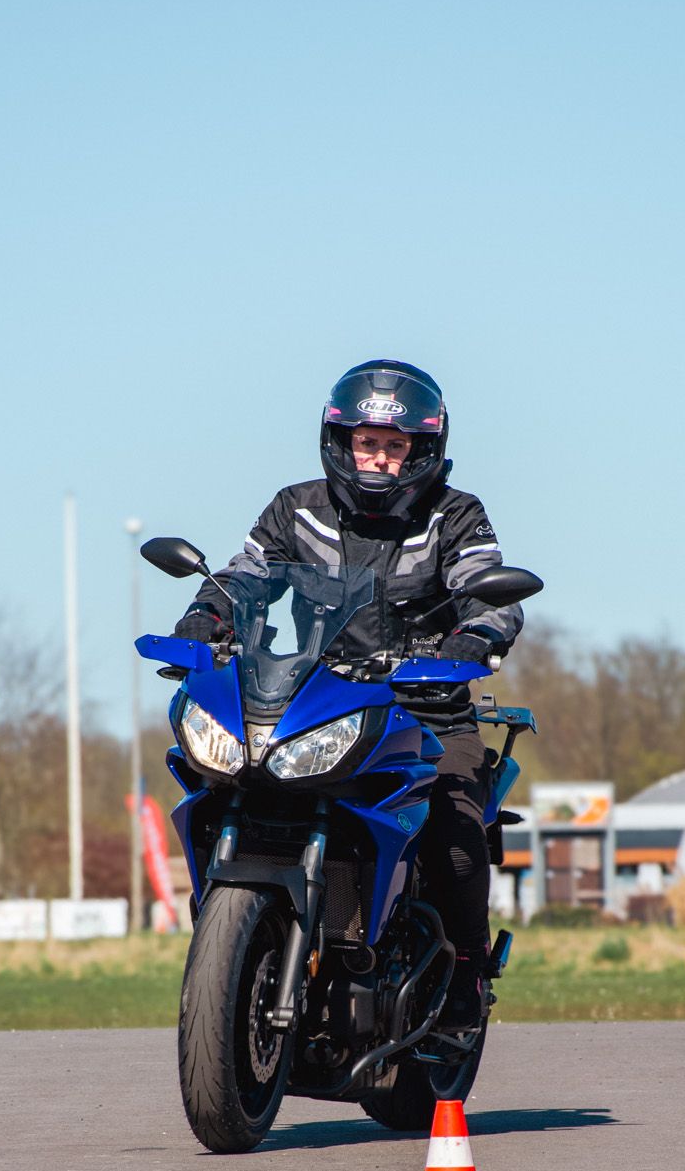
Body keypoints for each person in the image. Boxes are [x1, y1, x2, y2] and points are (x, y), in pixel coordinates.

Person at [175, 358, 525, 1029]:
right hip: (314, 701)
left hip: (424, 708)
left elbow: (489, 588)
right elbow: (243, 576)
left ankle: (466, 976)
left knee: (452, 821)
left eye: (395, 447)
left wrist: (472, 639)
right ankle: (235, 939)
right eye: (367, 443)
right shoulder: (295, 509)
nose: (378, 460)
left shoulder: (454, 515)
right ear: (339, 441)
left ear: (423, 450)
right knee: (216, 775)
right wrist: (205, 618)